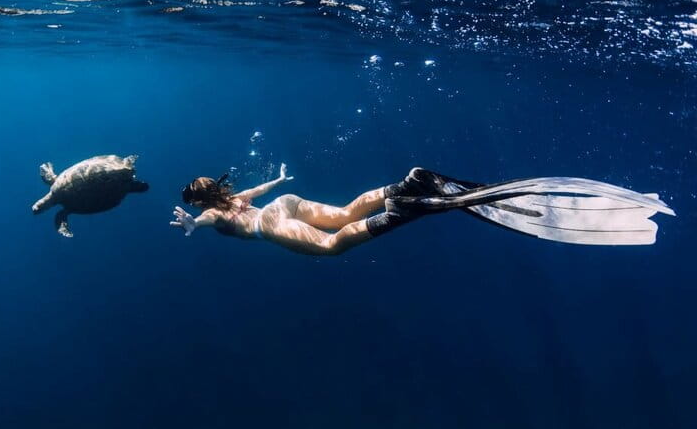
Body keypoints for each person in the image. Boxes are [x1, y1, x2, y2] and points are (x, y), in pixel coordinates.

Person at [170, 163, 675, 254]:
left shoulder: (219, 214)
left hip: (270, 222)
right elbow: (254, 192)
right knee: (347, 210)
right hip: (283, 203)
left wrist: (194, 225)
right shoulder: (234, 195)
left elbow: (216, 218)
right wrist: (279, 180)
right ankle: (399, 187)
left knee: (328, 247)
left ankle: (398, 211)